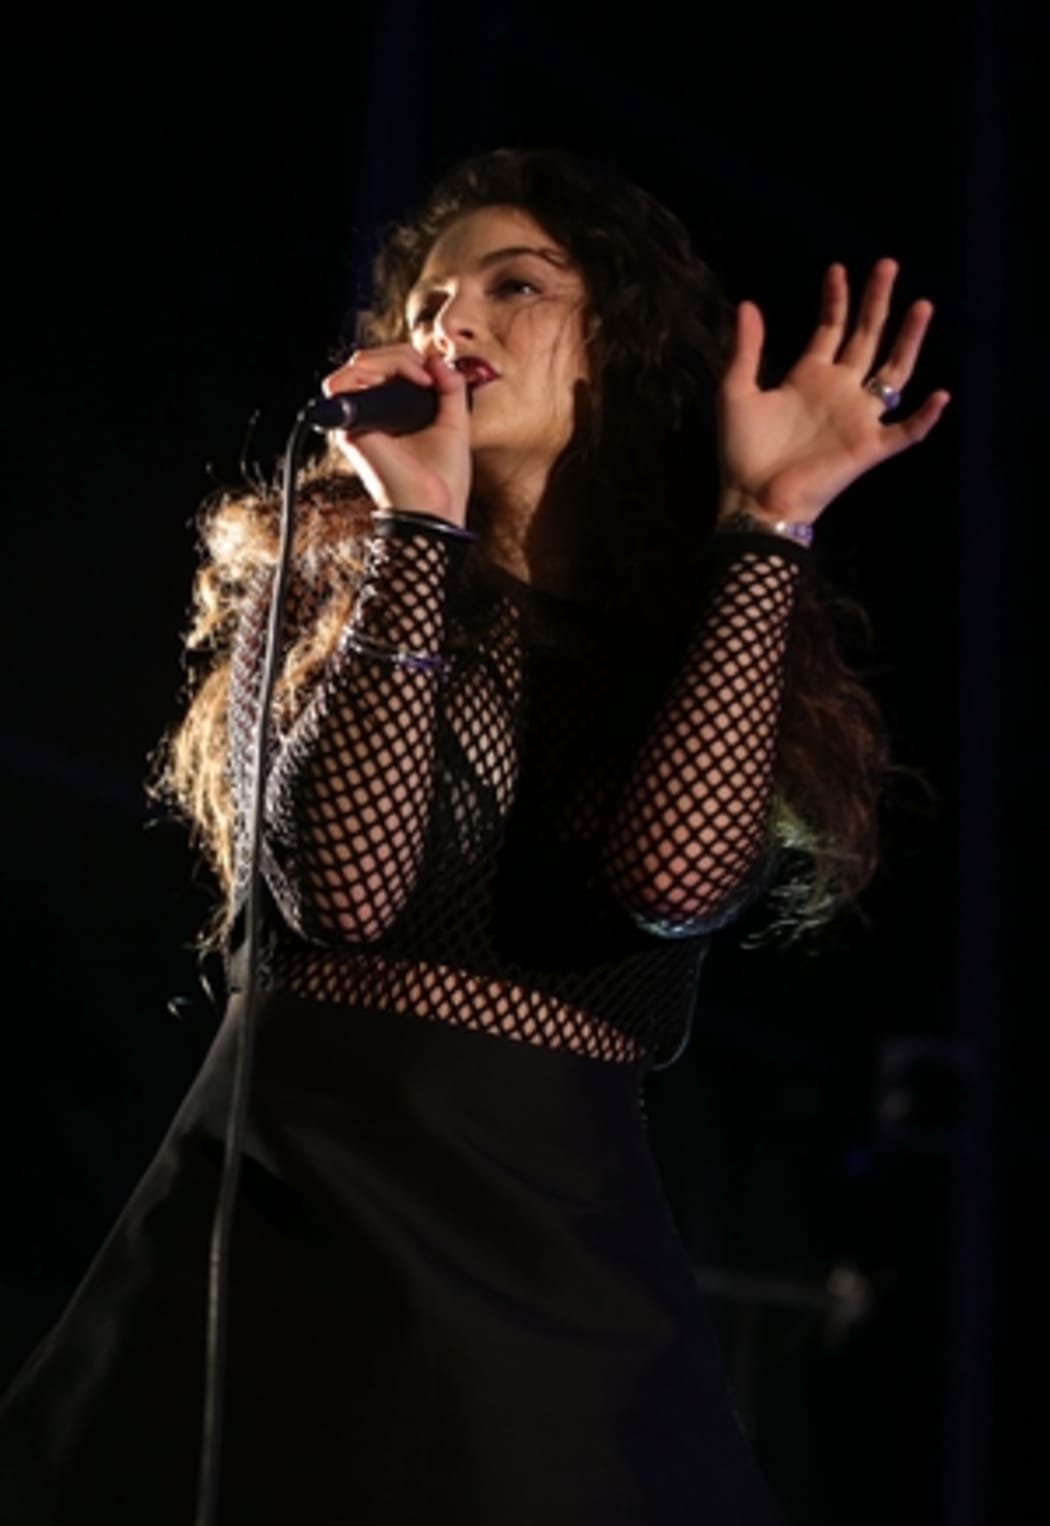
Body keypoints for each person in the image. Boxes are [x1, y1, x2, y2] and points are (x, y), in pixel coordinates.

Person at [0, 148, 948, 1525]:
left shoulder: (680, 641)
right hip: (291, 1217)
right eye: (433, 296)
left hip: (546, 1252)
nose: (458, 320)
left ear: (613, 343)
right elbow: (345, 884)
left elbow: (669, 881)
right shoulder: (333, 596)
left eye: (516, 286)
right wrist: (419, 525)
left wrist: (767, 522)